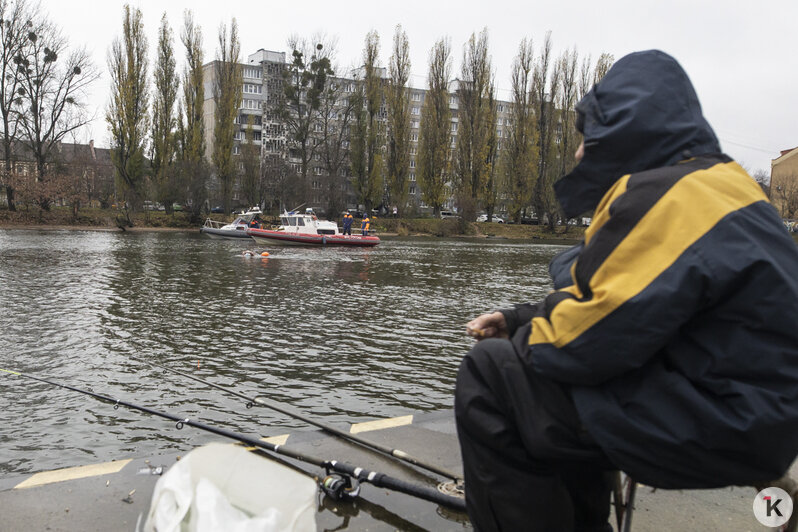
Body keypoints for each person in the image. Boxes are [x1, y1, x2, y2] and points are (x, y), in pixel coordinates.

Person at [455, 50, 798, 532]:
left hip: (730, 419)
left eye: (589, 134)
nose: (579, 152)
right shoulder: (724, 185)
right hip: (761, 411)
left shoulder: (666, 195)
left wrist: (521, 342)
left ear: (624, 129)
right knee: (554, 387)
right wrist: (522, 318)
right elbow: (630, 299)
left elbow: (581, 347)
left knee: (492, 376)